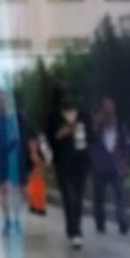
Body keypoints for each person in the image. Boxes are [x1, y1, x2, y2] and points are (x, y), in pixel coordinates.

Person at [47, 86, 92, 249]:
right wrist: (62, 133)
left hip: (81, 160)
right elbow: (50, 139)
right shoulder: (54, 117)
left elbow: (91, 136)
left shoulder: (83, 115)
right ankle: (74, 230)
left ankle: (76, 227)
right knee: (68, 195)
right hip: (63, 162)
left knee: (79, 196)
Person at [0, 91, 31, 235]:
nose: (2, 103)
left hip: (18, 159)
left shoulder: (17, 117)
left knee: (23, 191)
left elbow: (27, 136)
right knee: (4, 191)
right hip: (3, 160)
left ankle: (17, 217)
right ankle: (7, 221)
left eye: (4, 100)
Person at [91, 97, 130, 235]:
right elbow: (91, 143)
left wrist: (125, 165)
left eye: (111, 110)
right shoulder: (97, 127)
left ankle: (122, 221)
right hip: (100, 167)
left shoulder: (119, 127)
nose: (109, 113)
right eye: (106, 110)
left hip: (116, 167)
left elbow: (124, 147)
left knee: (120, 196)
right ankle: (100, 222)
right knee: (99, 198)